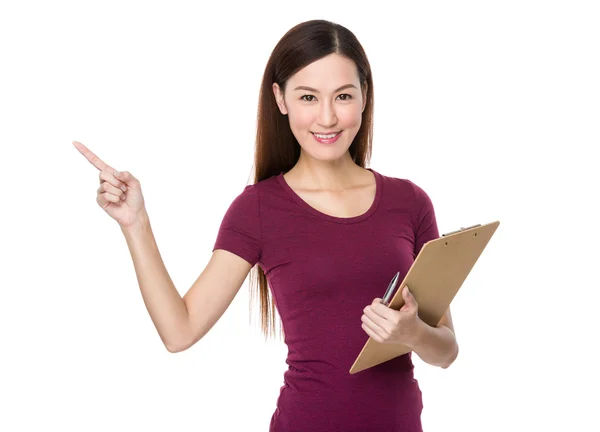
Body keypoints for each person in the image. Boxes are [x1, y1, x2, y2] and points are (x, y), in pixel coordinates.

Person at [74, 19, 459, 432]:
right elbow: (179, 332)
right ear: (280, 99)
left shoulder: (410, 202)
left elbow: (446, 350)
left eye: (343, 96)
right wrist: (136, 224)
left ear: (364, 97)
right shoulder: (258, 209)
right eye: (308, 96)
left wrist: (413, 333)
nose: (327, 117)